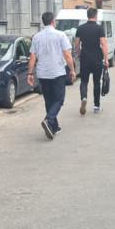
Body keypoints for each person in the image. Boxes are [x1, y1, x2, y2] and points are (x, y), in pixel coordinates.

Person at [27, 11, 76, 139]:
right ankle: (49, 120)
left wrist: (30, 73)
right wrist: (72, 70)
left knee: (49, 100)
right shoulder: (60, 35)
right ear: (53, 21)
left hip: (43, 74)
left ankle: (53, 127)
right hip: (57, 73)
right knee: (59, 99)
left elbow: (32, 57)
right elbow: (67, 54)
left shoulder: (37, 37)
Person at [74, 7, 109, 114]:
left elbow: (76, 44)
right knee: (97, 82)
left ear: (87, 16)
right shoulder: (99, 28)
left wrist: (79, 54)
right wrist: (106, 59)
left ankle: (84, 98)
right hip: (97, 59)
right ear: (95, 16)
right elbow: (103, 44)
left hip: (85, 59)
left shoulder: (80, 28)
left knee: (84, 81)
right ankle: (96, 106)